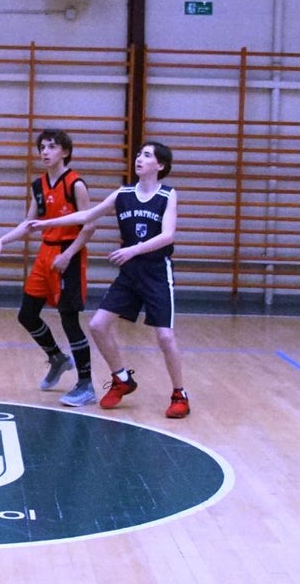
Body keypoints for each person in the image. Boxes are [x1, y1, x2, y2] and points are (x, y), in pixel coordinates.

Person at [30, 141, 191, 419]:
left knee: (165, 337)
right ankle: (121, 378)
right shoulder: (123, 193)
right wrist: (48, 223)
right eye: (139, 154)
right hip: (130, 274)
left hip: (155, 272)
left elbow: (168, 236)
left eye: (147, 155)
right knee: (98, 325)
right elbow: (87, 215)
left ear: (160, 165)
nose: (140, 158)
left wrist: (132, 250)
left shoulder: (167, 195)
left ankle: (180, 394)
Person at [0, 129, 97, 406]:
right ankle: (58, 358)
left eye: (52, 147)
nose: (45, 152)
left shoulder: (75, 184)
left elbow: (90, 225)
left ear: (65, 151)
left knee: (69, 319)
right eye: (42, 147)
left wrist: (69, 254)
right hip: (45, 254)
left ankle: (86, 384)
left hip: (68, 254)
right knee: (27, 314)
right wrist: (4, 239)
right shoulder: (38, 186)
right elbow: (29, 223)